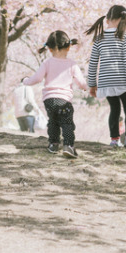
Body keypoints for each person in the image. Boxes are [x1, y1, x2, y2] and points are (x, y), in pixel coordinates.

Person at [23, 30, 87, 158]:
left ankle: (53, 144)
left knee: (53, 121)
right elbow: (81, 82)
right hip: (64, 100)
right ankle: (68, 145)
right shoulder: (72, 64)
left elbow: (36, 78)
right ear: (69, 47)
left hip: (49, 100)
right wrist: (88, 88)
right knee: (67, 123)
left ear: (50, 49)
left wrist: (26, 81)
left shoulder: (47, 63)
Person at [87, 5, 126, 149]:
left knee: (114, 110)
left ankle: (114, 141)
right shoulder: (125, 36)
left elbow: (93, 63)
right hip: (122, 80)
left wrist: (92, 84)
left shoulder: (99, 37)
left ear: (108, 18)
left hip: (105, 82)